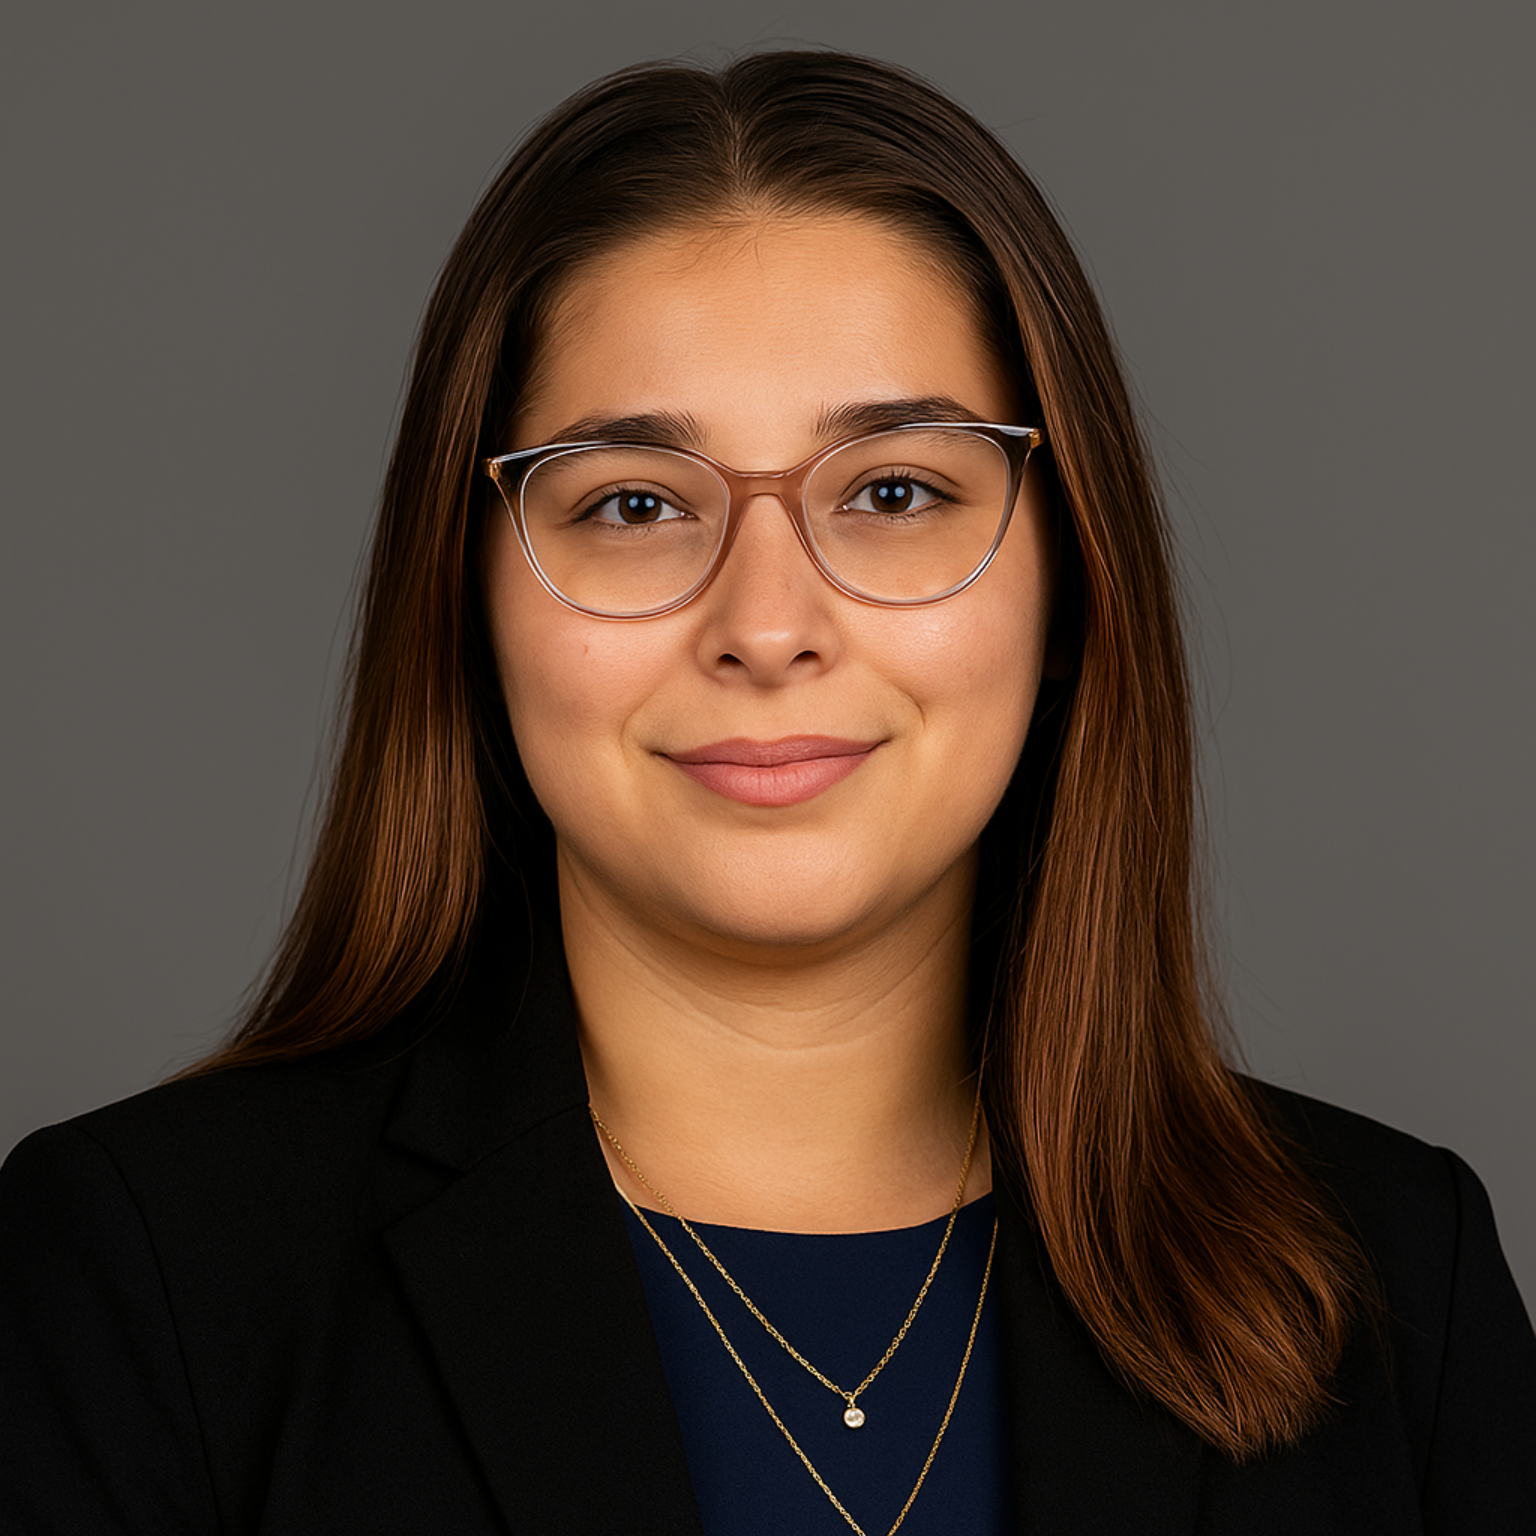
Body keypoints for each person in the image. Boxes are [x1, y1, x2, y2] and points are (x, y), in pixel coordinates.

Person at [1, 49, 1532, 1536]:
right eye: (637, 505)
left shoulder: (1398, 1282)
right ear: (465, 600)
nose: (767, 623)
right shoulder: (156, 1277)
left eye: (893, 491)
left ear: (1069, 583)